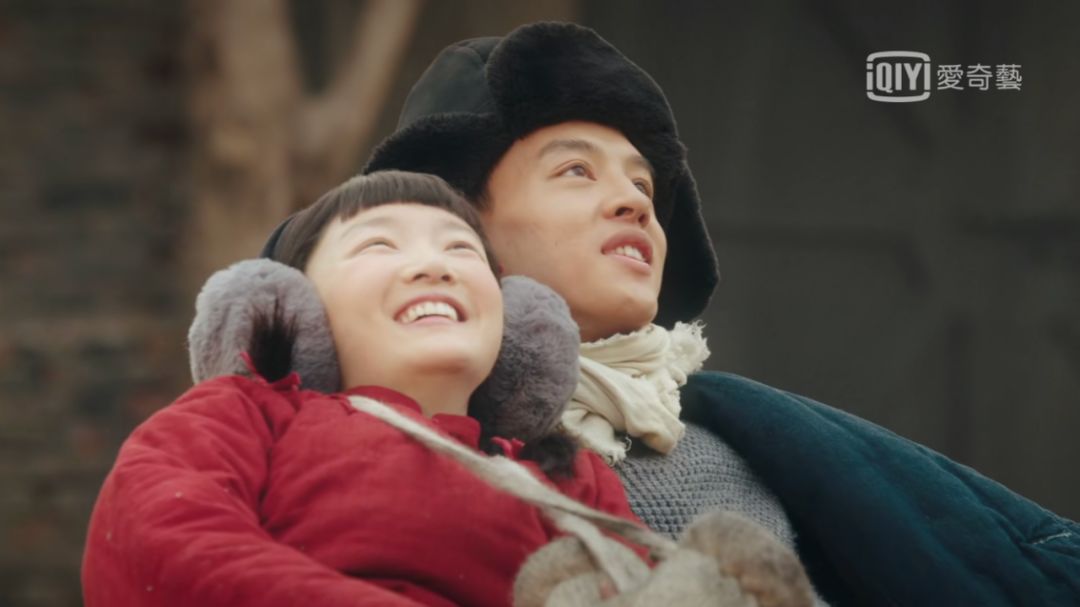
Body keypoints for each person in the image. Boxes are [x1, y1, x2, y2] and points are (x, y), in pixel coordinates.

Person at [350, 21, 1080, 606]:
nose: (633, 200)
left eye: (643, 184)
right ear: (458, 224)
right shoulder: (355, 443)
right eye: (576, 170)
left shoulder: (723, 450)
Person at [81, 171, 644, 607]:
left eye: (460, 249)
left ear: (519, 326)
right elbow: (157, 539)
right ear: (296, 309)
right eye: (379, 245)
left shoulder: (566, 476)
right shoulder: (243, 415)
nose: (434, 267)